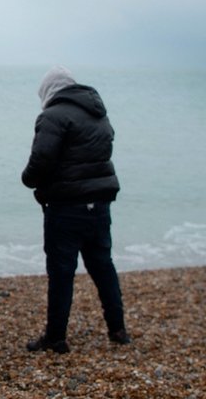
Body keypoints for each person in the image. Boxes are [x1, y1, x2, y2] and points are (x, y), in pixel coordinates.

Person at [22, 65, 129, 354]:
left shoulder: (52, 116)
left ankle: (56, 337)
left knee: (61, 272)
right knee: (103, 265)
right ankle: (118, 329)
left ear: (48, 91)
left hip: (66, 206)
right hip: (99, 204)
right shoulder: (99, 113)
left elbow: (41, 159)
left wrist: (28, 179)